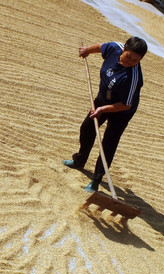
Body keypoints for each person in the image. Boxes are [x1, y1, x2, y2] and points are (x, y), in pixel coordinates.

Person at [62, 37, 148, 192]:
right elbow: (102, 47)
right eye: (129, 56)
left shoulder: (133, 78)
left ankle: (96, 181)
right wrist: (87, 50)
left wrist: (102, 110)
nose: (131, 61)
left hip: (121, 109)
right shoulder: (115, 48)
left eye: (136, 60)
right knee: (87, 128)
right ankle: (79, 160)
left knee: (108, 143)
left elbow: (125, 104)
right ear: (124, 50)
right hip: (103, 98)